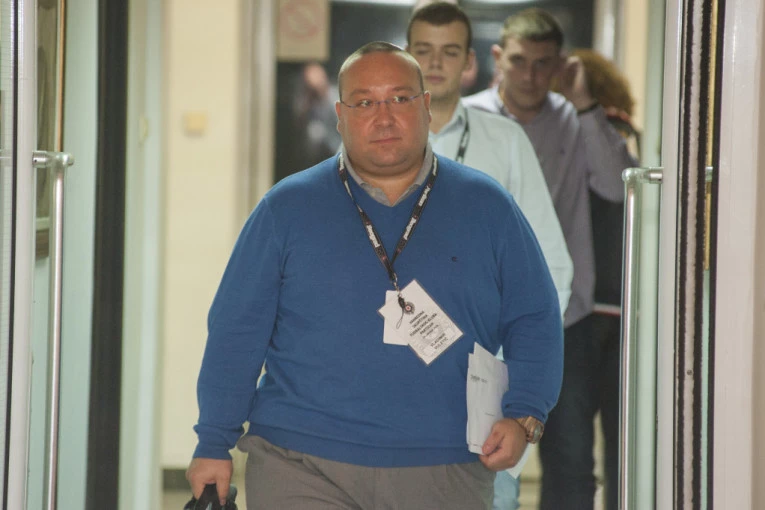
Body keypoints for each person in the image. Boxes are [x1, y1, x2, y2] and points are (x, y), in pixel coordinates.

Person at [186, 41, 564, 510]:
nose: (383, 118)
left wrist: (525, 412)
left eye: (400, 98)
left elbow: (535, 316)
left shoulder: (487, 206)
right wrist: (214, 439)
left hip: (446, 465)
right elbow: (237, 330)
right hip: (300, 461)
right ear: (340, 116)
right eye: (364, 103)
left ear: (426, 107)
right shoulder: (286, 209)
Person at [463, 8, 638, 510]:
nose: (530, 75)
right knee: (477, 452)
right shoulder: (471, 118)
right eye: (519, 61)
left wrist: (584, 103)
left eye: (543, 64)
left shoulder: (575, 119)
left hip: (566, 317)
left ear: (560, 65)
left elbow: (618, 186)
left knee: (571, 459)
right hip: (485, 318)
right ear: (498, 57)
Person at [405, 4, 573, 508]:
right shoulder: (377, 141)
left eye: (449, 51)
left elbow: (552, 268)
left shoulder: (505, 141)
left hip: (482, 385)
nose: (436, 63)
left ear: (470, 62)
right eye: (423, 51)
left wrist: (511, 368)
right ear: (405, 56)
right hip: (391, 384)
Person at [550, 48, 640, 510]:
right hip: (617, 309)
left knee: (576, 455)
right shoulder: (620, 134)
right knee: (612, 452)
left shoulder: (594, 131)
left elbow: (612, 187)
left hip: (588, 311)